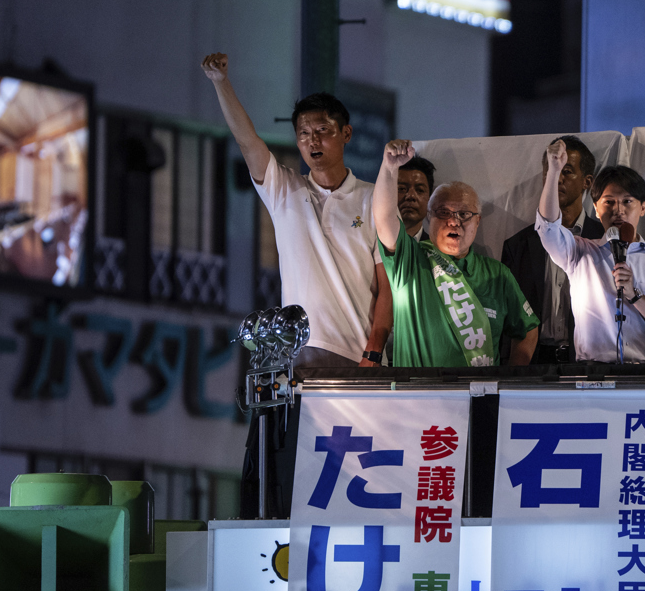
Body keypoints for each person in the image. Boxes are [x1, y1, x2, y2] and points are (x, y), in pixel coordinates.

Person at [201, 52, 385, 371]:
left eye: (323, 130)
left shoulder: (374, 198)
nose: (312, 140)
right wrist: (221, 83)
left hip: (359, 356)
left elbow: (388, 288)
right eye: (303, 133)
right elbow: (248, 142)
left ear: (346, 134)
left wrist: (373, 352)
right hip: (299, 354)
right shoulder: (284, 190)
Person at [374, 139, 539, 368]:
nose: (454, 221)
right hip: (417, 398)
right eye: (443, 212)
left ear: (478, 221)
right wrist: (388, 168)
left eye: (464, 214)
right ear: (429, 217)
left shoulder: (498, 274)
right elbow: (384, 219)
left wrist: (510, 380)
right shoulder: (410, 260)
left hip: (478, 400)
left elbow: (528, 328)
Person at [535, 139, 645, 363]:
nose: (618, 210)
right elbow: (548, 228)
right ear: (595, 208)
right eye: (609, 202)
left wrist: (635, 295)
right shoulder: (580, 252)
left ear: (643, 207)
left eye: (627, 201)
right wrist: (554, 171)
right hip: (591, 374)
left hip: (641, 376)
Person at [501, 136, 604, 363]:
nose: (556, 178)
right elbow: (506, 317)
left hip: (588, 362)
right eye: (551, 170)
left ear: (588, 181)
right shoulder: (518, 246)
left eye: (566, 171)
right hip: (531, 361)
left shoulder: (604, 240)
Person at [360, 155, 437, 365]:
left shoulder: (440, 257)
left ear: (430, 200)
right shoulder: (366, 248)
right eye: (401, 188)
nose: (410, 196)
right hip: (363, 355)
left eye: (420, 190)